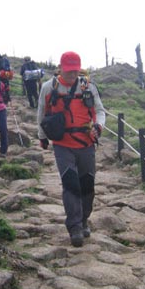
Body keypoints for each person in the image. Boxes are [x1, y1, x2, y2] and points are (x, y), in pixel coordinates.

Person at [37, 51, 105, 247]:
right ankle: (74, 227)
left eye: (75, 71)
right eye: (68, 72)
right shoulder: (49, 88)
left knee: (88, 185)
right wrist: (42, 137)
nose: (72, 75)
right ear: (60, 68)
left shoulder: (88, 87)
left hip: (86, 143)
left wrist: (98, 127)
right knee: (70, 184)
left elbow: (99, 111)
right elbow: (41, 112)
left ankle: (84, 220)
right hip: (62, 144)